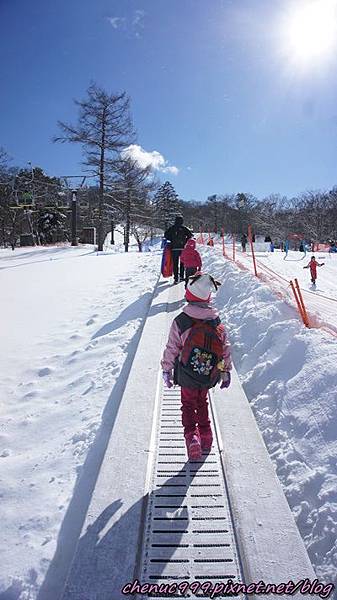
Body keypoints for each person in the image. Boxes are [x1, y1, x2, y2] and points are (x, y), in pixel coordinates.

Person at [161, 273, 232, 460]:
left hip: (186, 374)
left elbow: (172, 348)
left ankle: (192, 437)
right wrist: (225, 371)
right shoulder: (215, 320)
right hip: (208, 374)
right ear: (208, 297)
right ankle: (206, 436)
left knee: (187, 404)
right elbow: (225, 347)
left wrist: (167, 369)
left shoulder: (181, 321)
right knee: (202, 403)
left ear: (188, 295)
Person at [164, 216, 193, 284]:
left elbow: (166, 235)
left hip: (174, 248)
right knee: (182, 263)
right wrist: (185, 241)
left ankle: (176, 278)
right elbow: (190, 235)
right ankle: (182, 277)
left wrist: (172, 239)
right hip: (183, 248)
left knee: (175, 264)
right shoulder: (184, 228)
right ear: (182, 221)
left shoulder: (172, 228)